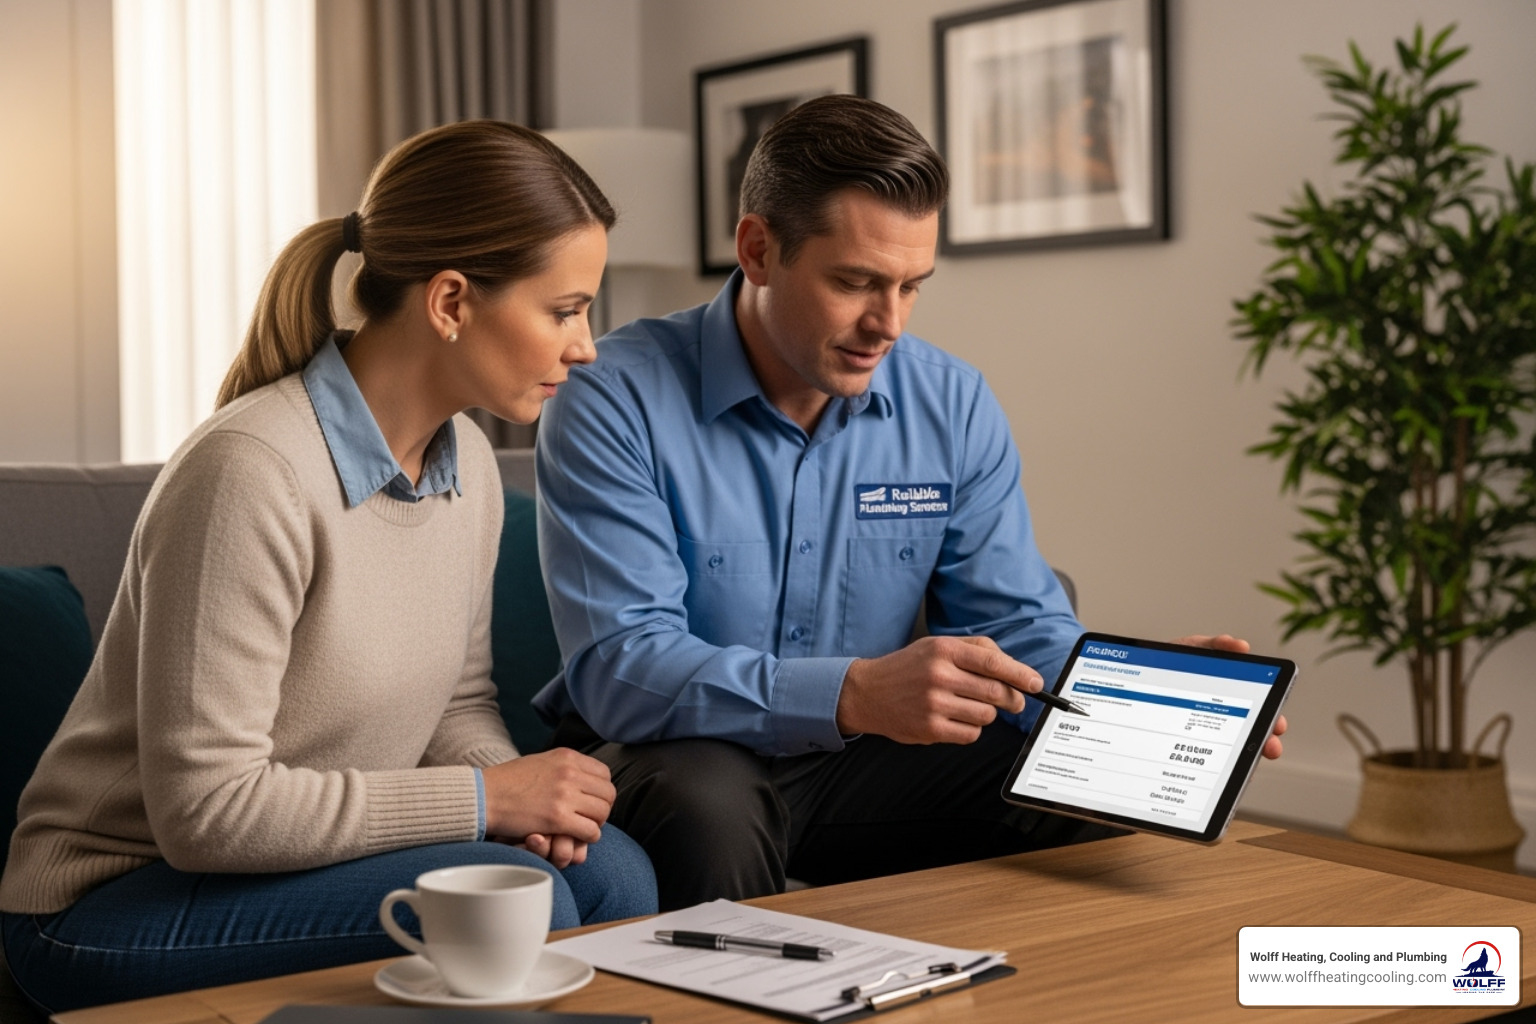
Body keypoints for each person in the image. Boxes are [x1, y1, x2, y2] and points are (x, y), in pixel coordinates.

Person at [531, 96, 1285, 911]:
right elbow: (623, 668)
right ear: (758, 249)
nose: (886, 323)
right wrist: (850, 693)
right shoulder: (611, 395)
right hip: (675, 756)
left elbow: (1016, 622)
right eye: (854, 282)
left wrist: (1131, 693)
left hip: (867, 763)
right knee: (709, 804)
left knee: (1083, 785)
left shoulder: (950, 402)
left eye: (911, 286)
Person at [0, 120, 656, 1013]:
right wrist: (484, 803)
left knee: (610, 873)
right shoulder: (250, 472)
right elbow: (207, 813)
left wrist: (524, 803)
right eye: (566, 308)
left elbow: (456, 706)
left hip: (292, 863)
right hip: (107, 903)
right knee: (501, 893)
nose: (585, 345)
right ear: (453, 301)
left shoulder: (465, 466)